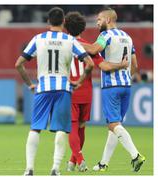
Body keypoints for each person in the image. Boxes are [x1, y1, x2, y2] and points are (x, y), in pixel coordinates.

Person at [15, 7, 94, 176]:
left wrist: (30, 84)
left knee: (35, 128)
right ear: (63, 22)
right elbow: (90, 63)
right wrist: (79, 82)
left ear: (48, 21)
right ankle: (55, 169)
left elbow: (19, 64)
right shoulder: (70, 40)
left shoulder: (38, 39)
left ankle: (29, 169)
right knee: (61, 129)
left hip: (43, 88)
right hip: (63, 89)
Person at [64, 11, 129, 172]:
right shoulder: (90, 48)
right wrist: (121, 65)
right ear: (82, 28)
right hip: (86, 91)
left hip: (70, 89)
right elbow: (105, 66)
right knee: (82, 126)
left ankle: (79, 159)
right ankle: (72, 162)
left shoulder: (63, 44)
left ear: (66, 27)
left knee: (72, 127)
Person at [81, 7, 145, 172]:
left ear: (108, 20)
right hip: (126, 86)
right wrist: (125, 76)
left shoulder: (105, 36)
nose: (97, 23)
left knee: (113, 124)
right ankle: (103, 163)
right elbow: (135, 65)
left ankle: (135, 155)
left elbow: (95, 49)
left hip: (111, 86)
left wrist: (74, 42)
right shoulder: (127, 37)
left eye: (99, 20)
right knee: (115, 125)